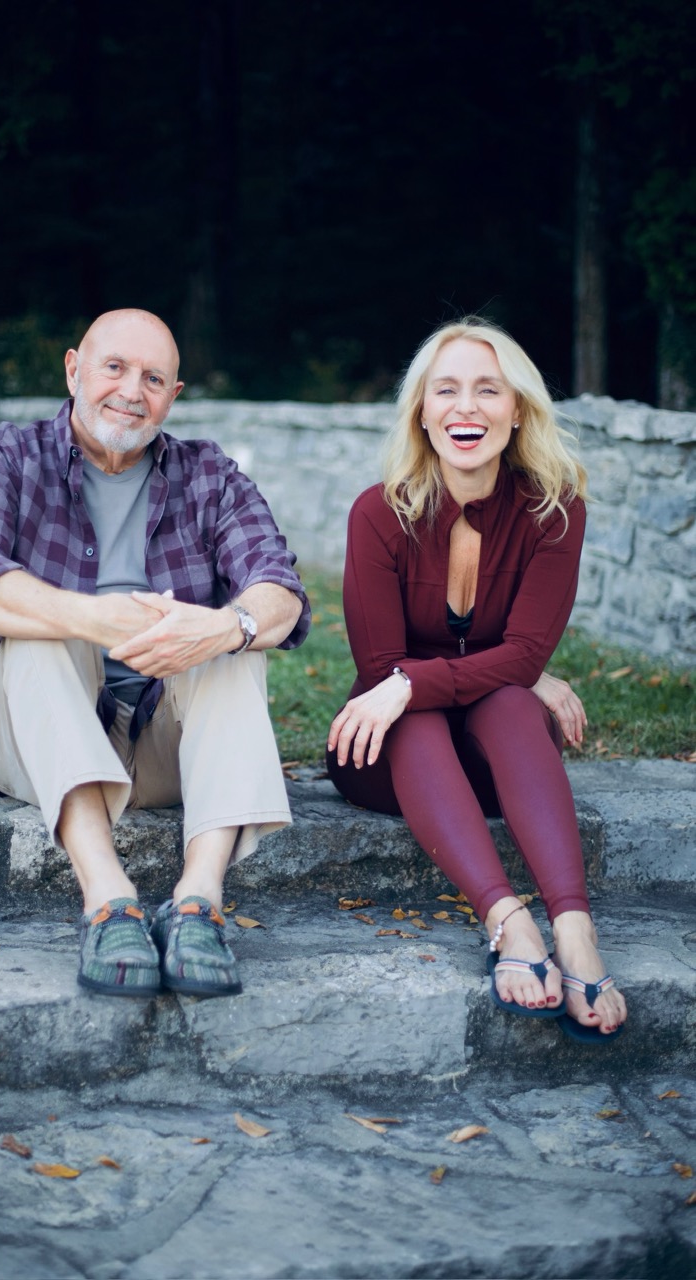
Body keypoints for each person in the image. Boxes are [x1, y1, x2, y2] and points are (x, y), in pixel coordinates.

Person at [0, 308, 309, 999]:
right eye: (114, 368)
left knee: (235, 639)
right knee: (38, 632)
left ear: (174, 395)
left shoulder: (208, 473)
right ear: (74, 368)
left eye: (154, 378)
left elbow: (280, 592)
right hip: (27, 735)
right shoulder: (7, 455)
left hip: (160, 745)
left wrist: (226, 627)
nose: (132, 391)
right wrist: (92, 620)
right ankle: (108, 901)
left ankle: (198, 902)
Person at [326, 317, 627, 1042]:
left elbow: (520, 657)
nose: (466, 407)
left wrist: (517, 674)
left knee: (510, 703)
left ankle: (574, 931)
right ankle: (508, 923)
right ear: (422, 413)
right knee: (421, 709)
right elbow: (379, 672)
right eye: (446, 390)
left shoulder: (555, 511)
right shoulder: (379, 512)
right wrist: (414, 687)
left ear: (516, 409)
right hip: (387, 756)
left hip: (498, 755)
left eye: (487, 390)